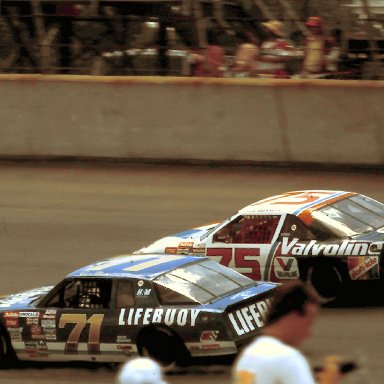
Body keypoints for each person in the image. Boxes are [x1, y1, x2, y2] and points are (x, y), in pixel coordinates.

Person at [232, 281, 342, 384]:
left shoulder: (248, 355)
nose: (309, 334)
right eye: (308, 323)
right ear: (293, 316)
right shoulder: (288, 358)